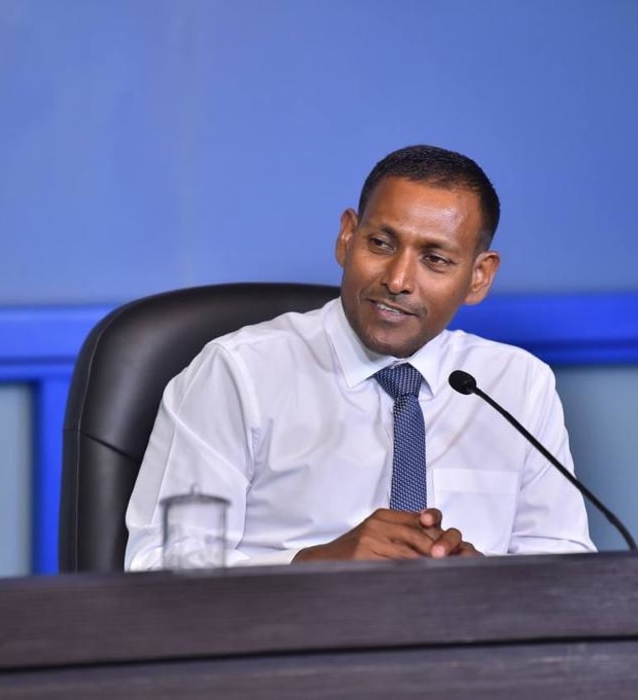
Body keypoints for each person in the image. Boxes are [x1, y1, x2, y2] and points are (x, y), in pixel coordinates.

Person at [125, 145, 594, 570]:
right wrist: (314, 566)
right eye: (381, 244)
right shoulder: (239, 373)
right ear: (347, 237)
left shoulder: (517, 385)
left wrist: (488, 582)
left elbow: (566, 573)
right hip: (290, 636)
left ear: (479, 277)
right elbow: (161, 567)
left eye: (435, 259)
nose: (398, 280)